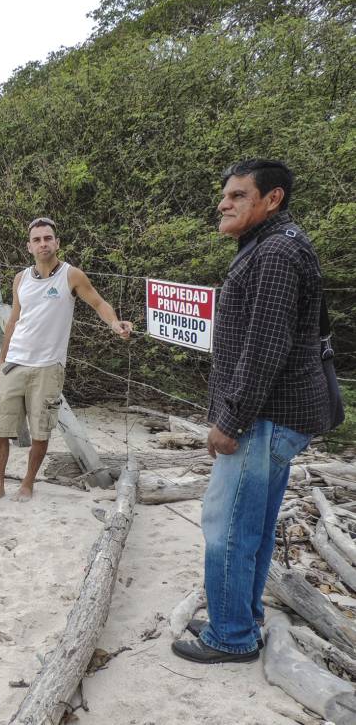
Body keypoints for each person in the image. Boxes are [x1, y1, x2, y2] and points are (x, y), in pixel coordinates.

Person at [171, 159, 330, 665]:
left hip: (261, 420)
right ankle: (240, 616)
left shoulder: (277, 251)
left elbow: (265, 346)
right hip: (273, 417)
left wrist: (231, 420)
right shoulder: (271, 244)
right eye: (225, 195)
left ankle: (231, 636)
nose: (224, 203)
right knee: (253, 526)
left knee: (227, 528)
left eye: (238, 195)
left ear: (272, 198)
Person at [0, 217, 133, 504]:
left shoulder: (71, 276)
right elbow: (13, 321)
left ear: (57, 243)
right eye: (37, 240)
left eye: (48, 238)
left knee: (41, 430)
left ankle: (27, 483)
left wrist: (114, 323)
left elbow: (98, 302)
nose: (43, 244)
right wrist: (1, 361)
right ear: (29, 247)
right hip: (15, 363)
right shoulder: (21, 278)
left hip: (49, 367)